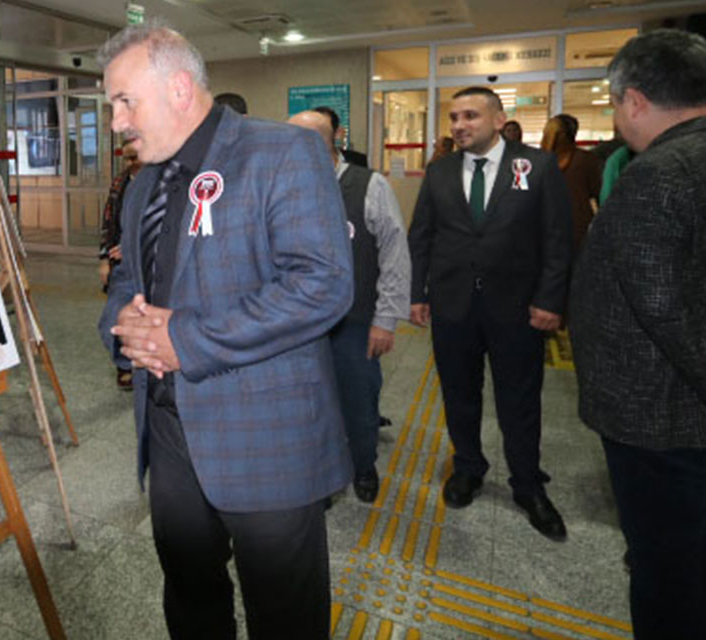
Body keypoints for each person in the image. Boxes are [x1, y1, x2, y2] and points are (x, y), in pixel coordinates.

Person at [97, 22, 353, 638]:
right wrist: (123, 327)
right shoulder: (143, 184)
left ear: (180, 89)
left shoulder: (282, 153)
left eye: (125, 101)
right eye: (111, 106)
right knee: (191, 598)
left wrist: (185, 339)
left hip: (263, 437)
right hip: (168, 433)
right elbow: (128, 278)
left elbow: (322, 284)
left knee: (284, 616)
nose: (116, 122)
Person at [570, 29, 706, 640]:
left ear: (635, 100)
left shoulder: (659, 174)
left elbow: (664, 307)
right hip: (681, 417)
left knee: (669, 577)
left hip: (663, 422)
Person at [408, 86, 571, 540]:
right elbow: (421, 236)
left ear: (499, 120)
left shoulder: (537, 167)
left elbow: (558, 239)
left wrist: (550, 300)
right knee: (459, 393)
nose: (459, 125)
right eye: (454, 117)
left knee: (519, 401)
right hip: (453, 304)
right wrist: (417, 293)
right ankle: (468, 467)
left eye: (471, 116)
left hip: (517, 308)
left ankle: (528, 484)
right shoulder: (440, 171)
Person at [289, 109, 411, 503]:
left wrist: (386, 319)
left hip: (354, 321)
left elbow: (394, 253)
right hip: (299, 324)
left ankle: (362, 466)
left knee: (359, 399)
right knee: (309, 403)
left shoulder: (368, 185)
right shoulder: (284, 185)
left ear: (331, 140)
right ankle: (322, 473)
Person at [101, 141, 143, 389]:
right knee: (111, 320)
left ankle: (140, 366)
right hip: (123, 266)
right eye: (126, 158)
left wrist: (134, 246)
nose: (130, 163)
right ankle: (125, 364)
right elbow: (108, 221)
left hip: (148, 264)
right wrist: (104, 259)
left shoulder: (164, 183)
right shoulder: (120, 183)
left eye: (134, 157)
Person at [541, 114, 603, 252]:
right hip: (575, 228)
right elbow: (597, 192)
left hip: (553, 230)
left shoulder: (537, 162)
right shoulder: (586, 159)